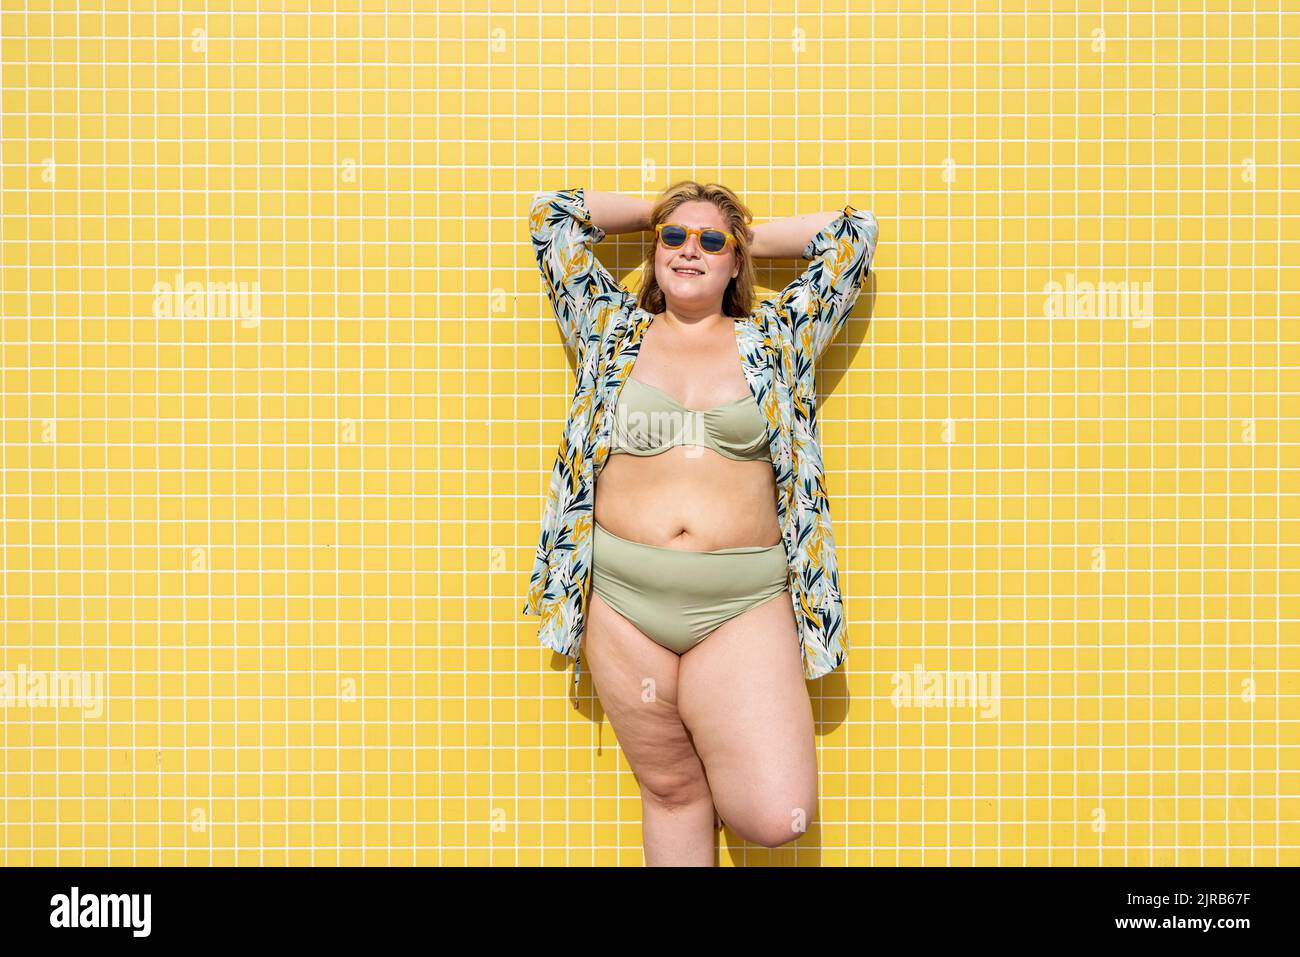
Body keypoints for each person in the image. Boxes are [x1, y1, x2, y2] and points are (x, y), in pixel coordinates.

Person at [523, 182, 879, 865]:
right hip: (623, 602)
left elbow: (852, 237)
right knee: (671, 791)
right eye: (674, 238)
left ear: (736, 260)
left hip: (740, 604)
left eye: (712, 242)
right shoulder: (608, 327)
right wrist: (656, 211)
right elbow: (553, 220)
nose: (690, 250)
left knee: (777, 814)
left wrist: (744, 230)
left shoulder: (777, 338)